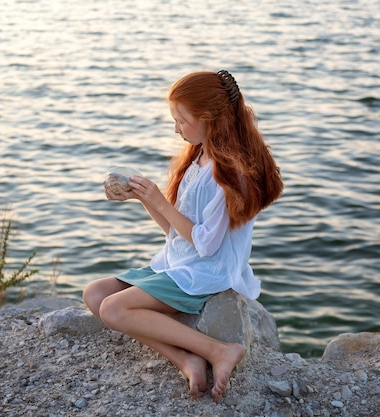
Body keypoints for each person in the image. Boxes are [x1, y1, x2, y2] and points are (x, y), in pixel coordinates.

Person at [83, 70, 283, 402]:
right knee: (95, 294)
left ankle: (219, 351)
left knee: (114, 310)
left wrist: (160, 199)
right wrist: (145, 199)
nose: (176, 128)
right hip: (181, 262)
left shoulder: (229, 173)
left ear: (210, 119)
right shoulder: (198, 157)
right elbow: (177, 234)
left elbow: (205, 244)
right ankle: (186, 358)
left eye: (181, 120)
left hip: (207, 272)